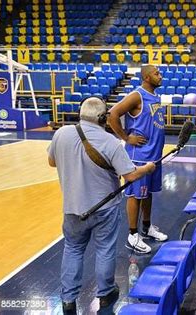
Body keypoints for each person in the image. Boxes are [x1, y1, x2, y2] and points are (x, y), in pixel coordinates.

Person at [48, 97, 157, 314]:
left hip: (72, 208)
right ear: (102, 118)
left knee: (72, 249)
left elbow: (52, 162)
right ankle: (105, 293)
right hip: (104, 209)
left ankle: (68, 299)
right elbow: (131, 176)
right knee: (104, 250)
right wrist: (147, 168)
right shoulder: (110, 142)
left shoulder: (61, 134)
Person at [109, 65, 168, 255]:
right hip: (139, 156)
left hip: (154, 155)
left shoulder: (155, 96)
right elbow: (112, 115)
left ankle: (147, 227)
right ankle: (132, 235)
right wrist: (126, 137)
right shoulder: (137, 95)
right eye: (156, 73)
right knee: (135, 194)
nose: (160, 76)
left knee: (147, 193)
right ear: (146, 77)